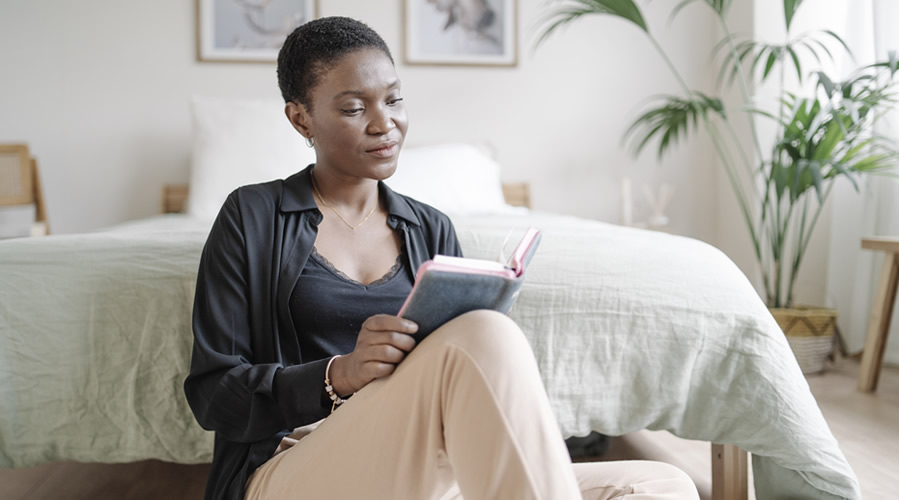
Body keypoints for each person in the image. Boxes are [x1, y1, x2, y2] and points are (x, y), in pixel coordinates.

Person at [184, 16, 700, 500]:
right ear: (301, 119)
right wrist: (338, 373)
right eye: (354, 108)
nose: (384, 123)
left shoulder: (430, 228)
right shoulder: (252, 215)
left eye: (394, 100)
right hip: (293, 463)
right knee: (484, 334)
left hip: (428, 459)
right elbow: (213, 394)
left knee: (661, 483)